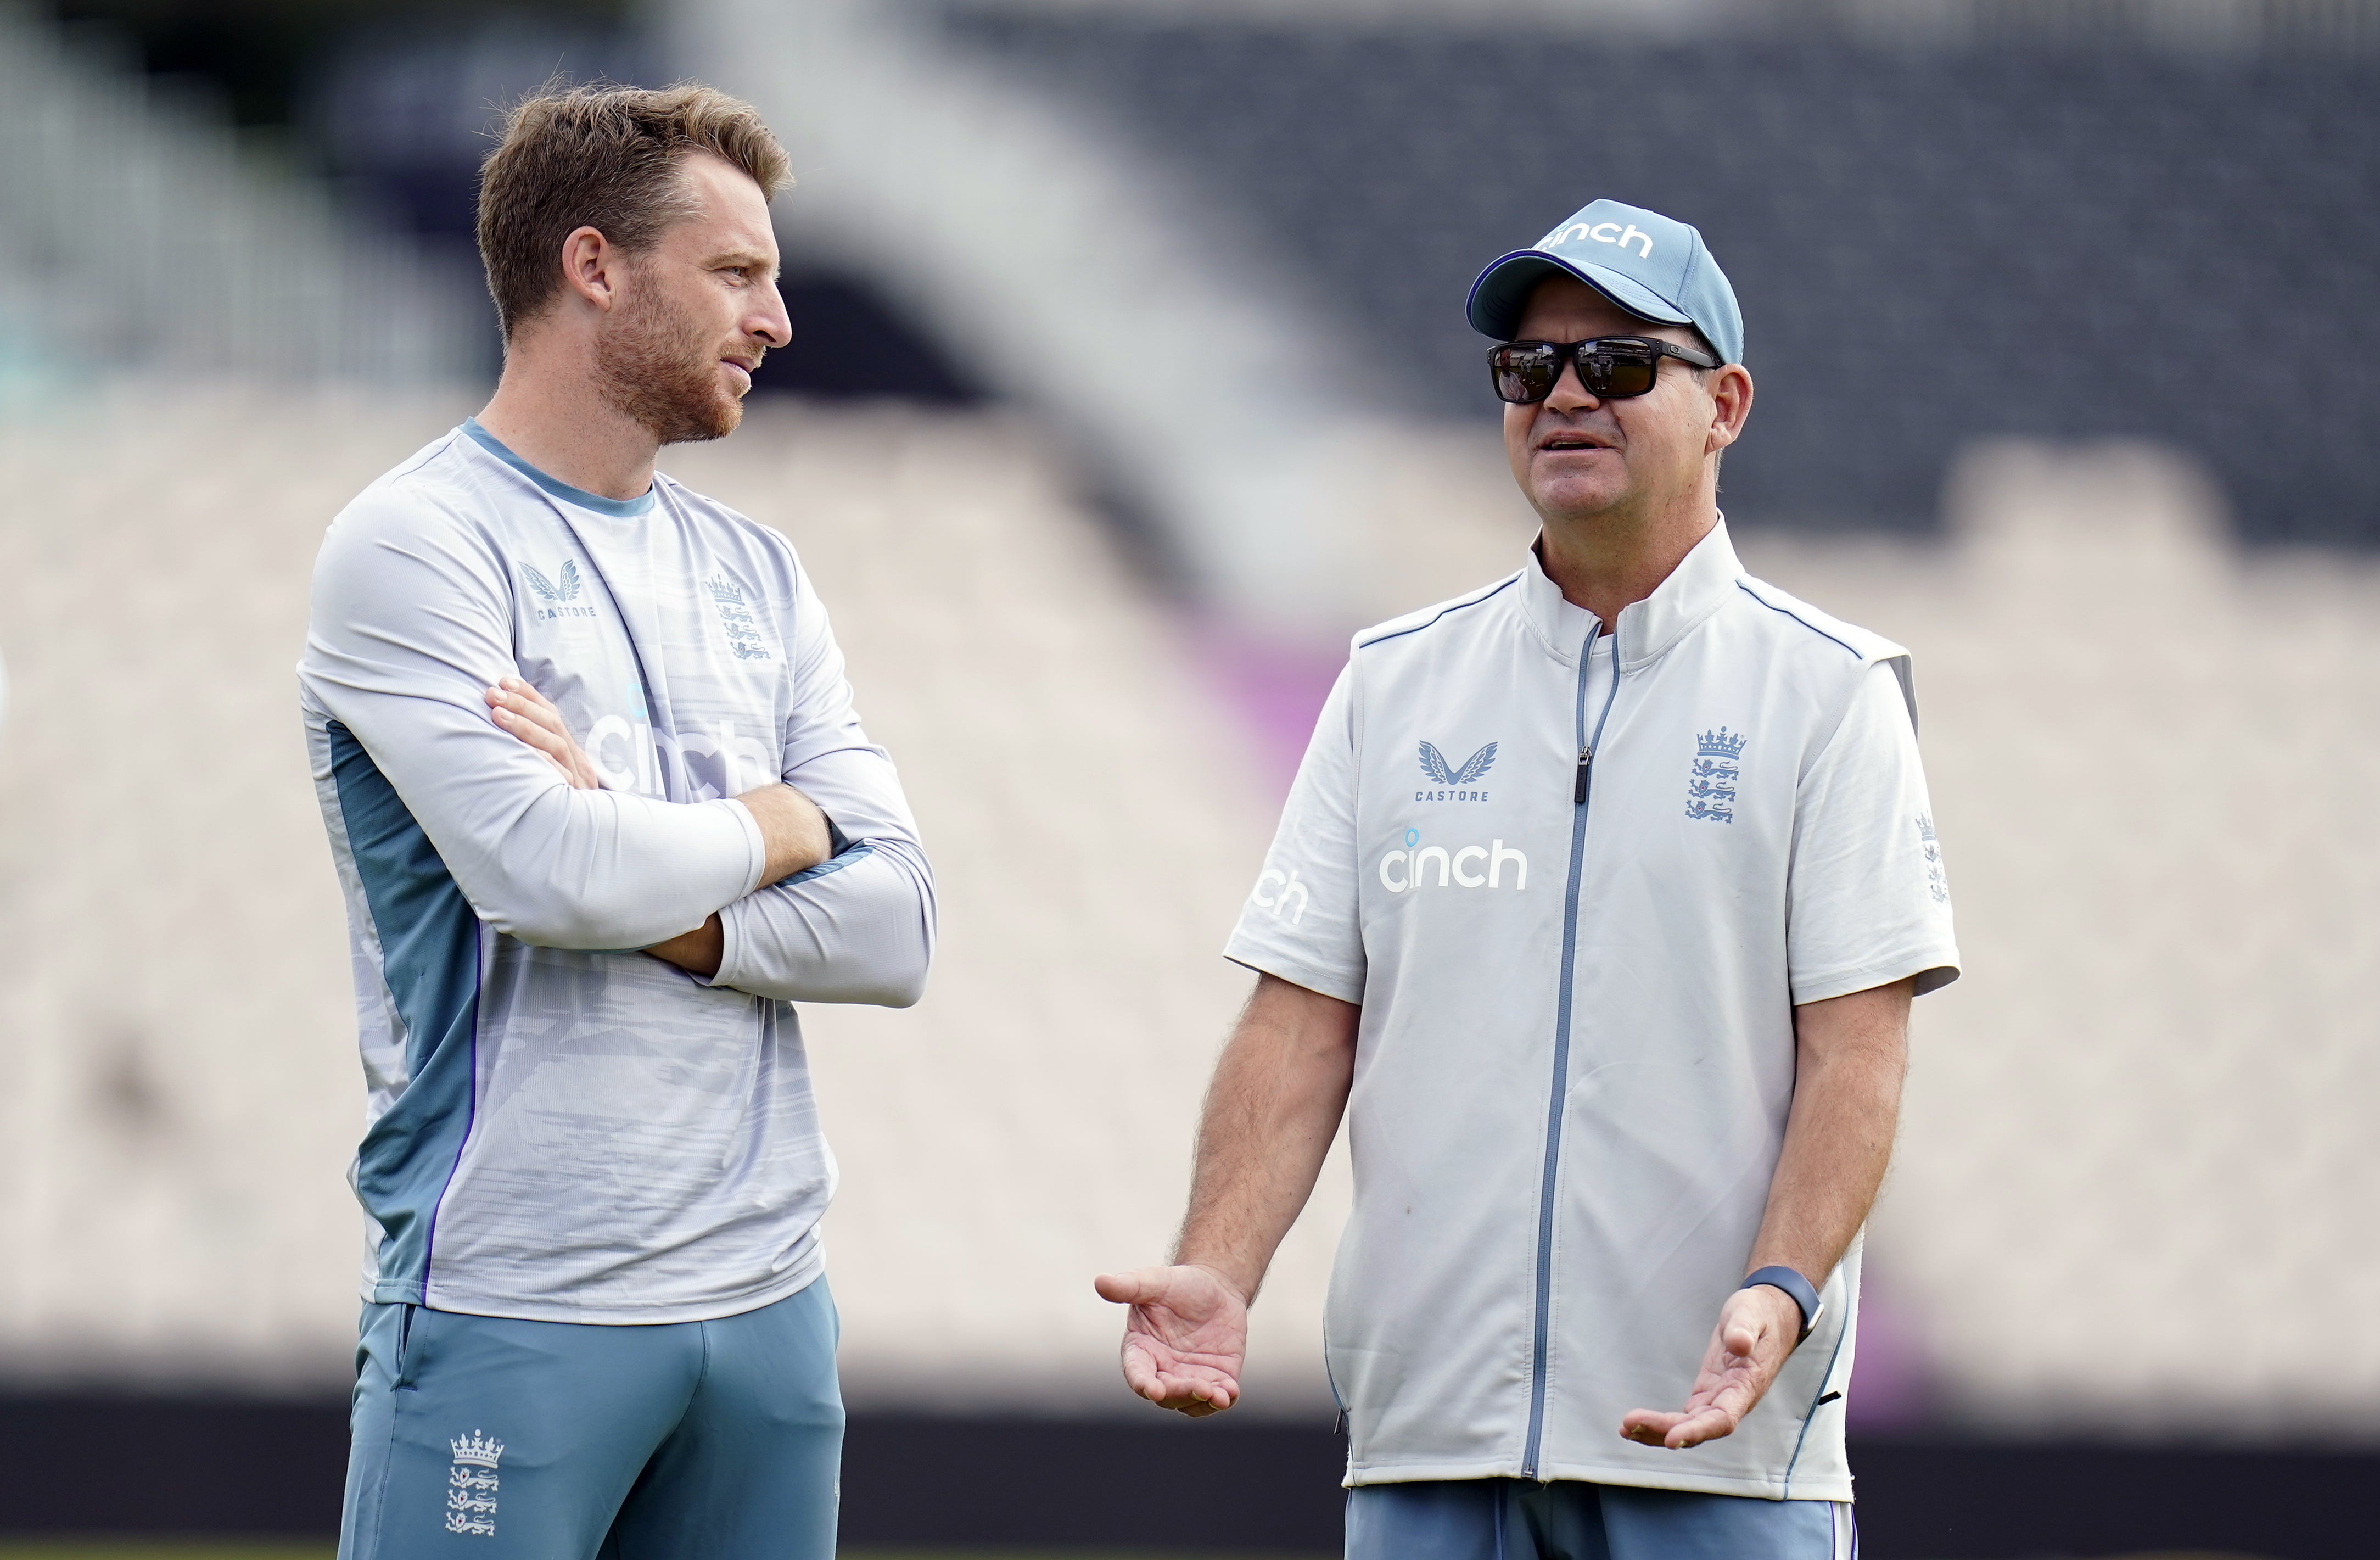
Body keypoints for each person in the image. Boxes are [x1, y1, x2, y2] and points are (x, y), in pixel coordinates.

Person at [1096, 198, 1959, 1559]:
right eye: (1528, 367)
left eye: (1616, 363)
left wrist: (1781, 1288)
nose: (1563, 394)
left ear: (1723, 402)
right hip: (1428, 1441)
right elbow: (1300, 1018)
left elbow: (1856, 1049)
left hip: (1717, 1447)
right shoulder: (1392, 679)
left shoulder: (1828, 689)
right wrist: (1217, 1264)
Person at [300, 85, 935, 1560]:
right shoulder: (415, 544)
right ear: (593, 266)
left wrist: (655, 869)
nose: (778, 319)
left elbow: (900, 925)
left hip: (772, 1304)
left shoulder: (760, 570)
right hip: (518, 1299)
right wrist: (787, 816)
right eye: (736, 273)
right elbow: (552, 878)